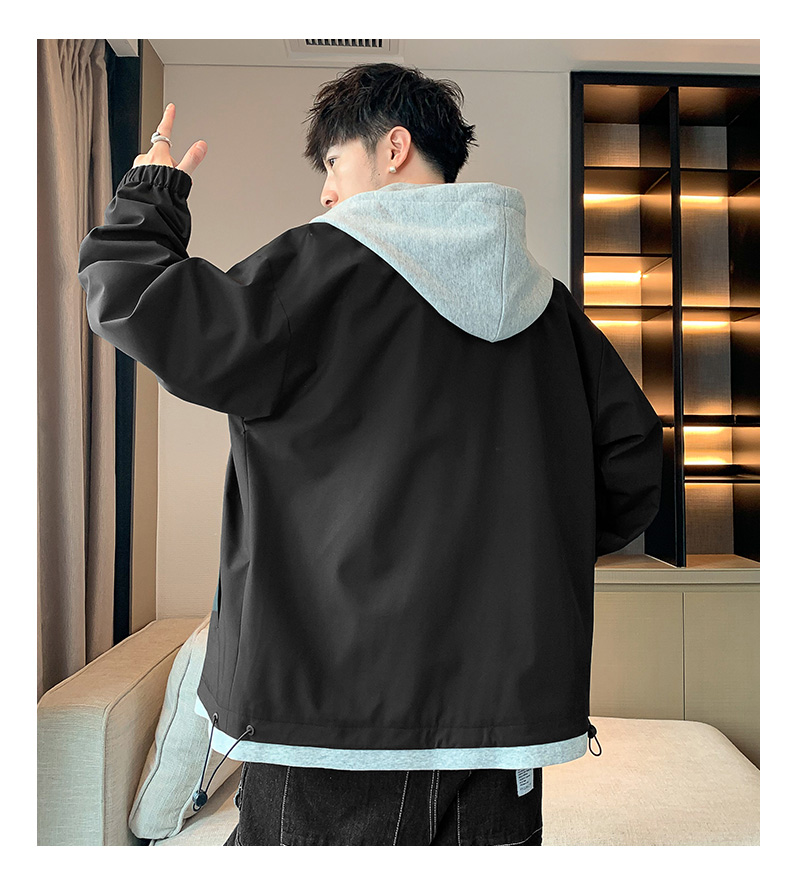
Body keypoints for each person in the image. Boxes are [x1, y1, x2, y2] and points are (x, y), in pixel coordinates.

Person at [77, 63, 663, 846]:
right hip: (500, 743)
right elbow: (633, 464)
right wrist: (527, 552)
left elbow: (135, 298)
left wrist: (149, 196)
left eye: (333, 163)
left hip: (322, 729)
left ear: (393, 148)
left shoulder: (313, 273)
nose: (326, 193)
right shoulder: (552, 309)